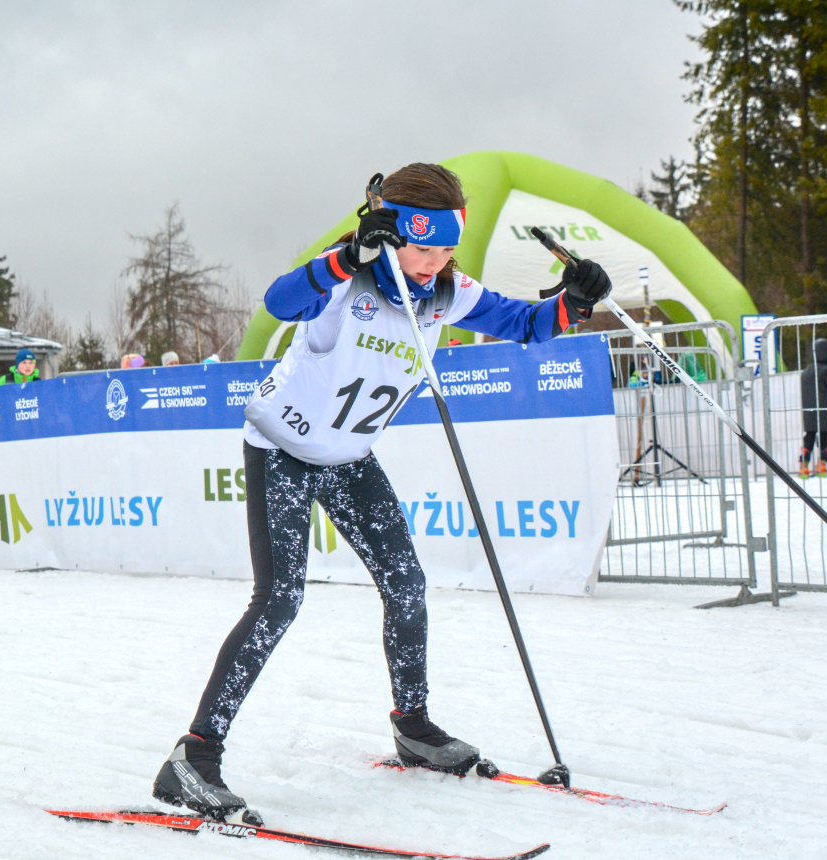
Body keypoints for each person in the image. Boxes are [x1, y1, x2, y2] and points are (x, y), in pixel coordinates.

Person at [151, 163, 613, 824]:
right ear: (392, 232)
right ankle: (193, 757)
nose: (434, 263)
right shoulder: (348, 279)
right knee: (279, 599)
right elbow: (279, 302)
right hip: (282, 448)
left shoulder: (447, 292)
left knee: (406, 584)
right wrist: (346, 256)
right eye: (423, 248)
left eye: (447, 249)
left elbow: (529, 324)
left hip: (348, 459)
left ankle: (413, 727)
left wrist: (574, 298)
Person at [798, 339, 827, 477]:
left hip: (809, 411)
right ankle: (821, 465)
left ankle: (803, 466)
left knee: (809, 436)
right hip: (825, 409)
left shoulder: (806, 372)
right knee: (823, 436)